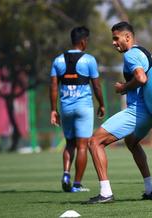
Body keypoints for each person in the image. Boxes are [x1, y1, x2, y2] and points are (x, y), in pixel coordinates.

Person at [85, 21, 152, 204]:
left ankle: (105, 193)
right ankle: (150, 189)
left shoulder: (131, 55)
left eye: (116, 38)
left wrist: (124, 87)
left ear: (128, 37)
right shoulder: (145, 53)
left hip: (137, 112)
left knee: (95, 142)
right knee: (132, 143)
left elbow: (141, 78)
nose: (114, 42)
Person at [50, 26, 105, 192]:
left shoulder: (58, 60)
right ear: (83, 41)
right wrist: (101, 104)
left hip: (65, 108)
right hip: (83, 108)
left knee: (69, 144)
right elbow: (96, 85)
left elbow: (53, 87)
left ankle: (66, 173)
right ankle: (77, 184)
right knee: (83, 146)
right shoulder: (89, 60)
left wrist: (54, 110)